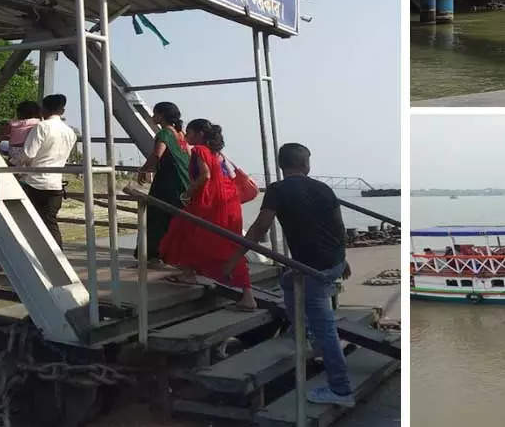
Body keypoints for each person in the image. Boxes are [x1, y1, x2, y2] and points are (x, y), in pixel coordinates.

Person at [223, 143, 354, 408]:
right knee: (287, 281)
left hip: (312, 269)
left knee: (326, 326)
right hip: (330, 262)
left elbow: (261, 226)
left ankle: (341, 390)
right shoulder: (324, 189)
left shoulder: (278, 190)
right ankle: (303, 330)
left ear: (282, 166)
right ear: (306, 165)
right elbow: (338, 227)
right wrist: (343, 259)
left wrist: (235, 259)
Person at [160, 119, 257, 311]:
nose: (186, 136)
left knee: (205, 239)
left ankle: (248, 296)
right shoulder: (218, 153)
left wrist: (187, 193)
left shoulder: (199, 150)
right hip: (228, 203)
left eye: (189, 133)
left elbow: (205, 175)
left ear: (200, 135)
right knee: (206, 237)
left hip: (212, 204)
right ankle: (189, 272)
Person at [19, 94, 78, 247]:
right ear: (62, 111)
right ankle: (58, 259)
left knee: (24, 223)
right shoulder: (70, 132)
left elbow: (28, 155)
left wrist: (11, 162)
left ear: (43, 110)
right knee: (50, 224)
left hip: (34, 183)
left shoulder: (41, 127)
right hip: (55, 185)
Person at [136, 102, 189, 266]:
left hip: (167, 182)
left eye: (155, 113)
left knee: (156, 217)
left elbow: (157, 155)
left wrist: (144, 170)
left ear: (162, 115)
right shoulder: (181, 134)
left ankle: (154, 256)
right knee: (176, 219)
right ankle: (176, 255)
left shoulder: (164, 133)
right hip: (183, 182)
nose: (152, 117)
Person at [0, 101, 41, 165]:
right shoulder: (37, 123)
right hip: (26, 150)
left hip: (13, 150)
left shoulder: (12, 124)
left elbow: (2, 136)